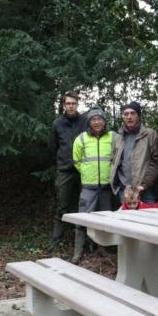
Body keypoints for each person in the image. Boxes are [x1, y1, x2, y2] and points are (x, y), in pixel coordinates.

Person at [71, 105, 113, 263]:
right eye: (93, 119)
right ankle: (78, 252)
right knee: (82, 219)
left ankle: (102, 248)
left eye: (99, 118)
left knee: (104, 220)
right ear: (89, 122)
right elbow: (76, 160)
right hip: (88, 186)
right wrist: (86, 172)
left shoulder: (112, 137)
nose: (96, 122)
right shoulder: (81, 138)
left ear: (104, 121)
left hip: (107, 187)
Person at [48, 91, 88, 251]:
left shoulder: (85, 121)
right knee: (62, 206)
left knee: (84, 207)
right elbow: (53, 146)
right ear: (64, 105)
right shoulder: (57, 124)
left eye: (73, 103)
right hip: (64, 170)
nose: (71, 106)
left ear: (77, 105)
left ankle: (85, 242)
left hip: (83, 170)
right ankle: (56, 240)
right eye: (68, 103)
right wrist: (59, 163)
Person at [110, 101, 158, 204]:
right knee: (125, 219)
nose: (129, 117)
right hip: (125, 190)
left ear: (139, 116)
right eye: (126, 114)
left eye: (133, 113)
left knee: (149, 218)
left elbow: (156, 162)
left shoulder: (150, 134)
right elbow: (114, 161)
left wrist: (146, 184)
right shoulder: (118, 137)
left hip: (145, 189)